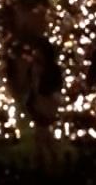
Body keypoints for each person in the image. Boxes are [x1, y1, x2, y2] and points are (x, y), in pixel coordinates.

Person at [22, 38, 61, 167]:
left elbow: (50, 88)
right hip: (38, 101)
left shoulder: (51, 70)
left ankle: (46, 160)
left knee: (42, 131)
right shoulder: (34, 67)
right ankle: (46, 158)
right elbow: (32, 84)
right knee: (42, 133)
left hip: (46, 102)